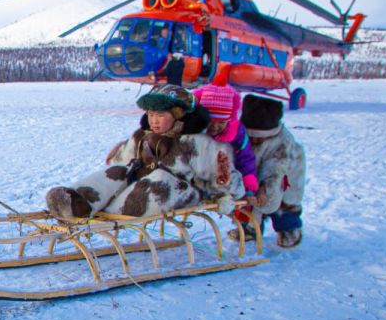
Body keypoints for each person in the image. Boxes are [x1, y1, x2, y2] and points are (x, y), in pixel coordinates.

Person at [45, 84, 244, 220]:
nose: (154, 121)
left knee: (161, 179)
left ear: (177, 115)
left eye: (160, 115)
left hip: (180, 191)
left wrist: (224, 195)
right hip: (140, 186)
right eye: (150, 115)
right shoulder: (142, 136)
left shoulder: (195, 143)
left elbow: (220, 174)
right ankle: (77, 201)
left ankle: (116, 209)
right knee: (119, 171)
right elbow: (120, 162)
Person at [239, 94, 306, 247]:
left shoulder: (282, 145)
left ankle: (288, 230)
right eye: (251, 136)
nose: (255, 140)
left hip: (285, 178)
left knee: (284, 205)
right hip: (254, 175)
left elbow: (274, 174)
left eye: (259, 138)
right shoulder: (242, 137)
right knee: (247, 202)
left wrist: (265, 191)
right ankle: (250, 227)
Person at [192, 83, 259, 198]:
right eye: (210, 121)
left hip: (225, 176)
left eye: (221, 122)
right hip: (198, 176)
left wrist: (248, 177)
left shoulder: (237, 133)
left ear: (228, 121)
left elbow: (245, 157)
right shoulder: (194, 130)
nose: (215, 126)